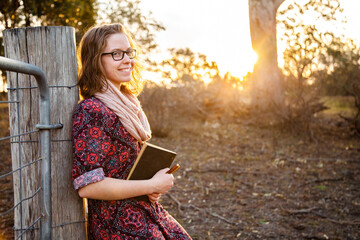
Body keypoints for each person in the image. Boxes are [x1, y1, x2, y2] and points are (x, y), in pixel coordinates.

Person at [71, 23, 192, 240]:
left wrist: (149, 188)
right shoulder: (92, 110)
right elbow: (88, 187)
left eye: (129, 52)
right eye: (116, 54)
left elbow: (125, 171)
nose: (128, 59)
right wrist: (150, 184)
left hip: (146, 211)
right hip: (118, 223)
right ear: (96, 60)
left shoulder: (128, 105)